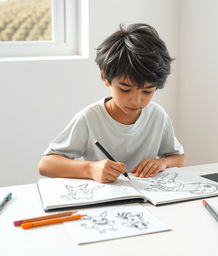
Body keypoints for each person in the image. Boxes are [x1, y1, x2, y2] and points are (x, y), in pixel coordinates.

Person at [38, 23, 185, 184]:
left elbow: (178, 158)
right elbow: (46, 165)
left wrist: (162, 162)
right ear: (105, 78)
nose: (136, 100)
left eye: (147, 91)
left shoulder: (158, 116)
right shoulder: (90, 118)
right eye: (125, 89)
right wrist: (90, 169)